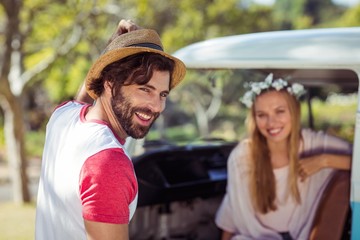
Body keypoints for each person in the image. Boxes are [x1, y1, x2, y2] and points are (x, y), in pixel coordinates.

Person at [35, 20, 186, 240]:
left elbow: (84, 98)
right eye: (145, 89)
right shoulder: (108, 163)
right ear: (110, 82)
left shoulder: (62, 117)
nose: (156, 107)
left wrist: (112, 47)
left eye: (163, 94)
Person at [215, 73, 352, 240]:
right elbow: (234, 206)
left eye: (279, 111)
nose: (271, 123)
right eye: (262, 115)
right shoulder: (242, 156)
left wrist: (324, 160)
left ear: (294, 112)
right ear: (254, 118)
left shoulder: (315, 143)